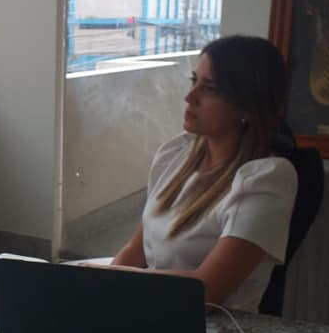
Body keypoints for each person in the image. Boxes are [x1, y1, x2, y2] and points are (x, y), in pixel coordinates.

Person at [107, 35, 298, 312]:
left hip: (211, 328)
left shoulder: (266, 179)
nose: (189, 97)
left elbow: (206, 292)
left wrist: (115, 280)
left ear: (248, 105)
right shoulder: (174, 154)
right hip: (153, 309)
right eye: (193, 81)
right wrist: (99, 291)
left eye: (210, 89)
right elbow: (135, 250)